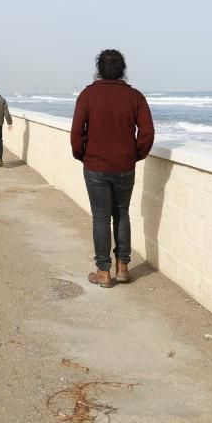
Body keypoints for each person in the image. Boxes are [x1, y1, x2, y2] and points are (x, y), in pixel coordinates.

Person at [71, 49, 154, 288]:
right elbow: (147, 133)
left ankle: (103, 272)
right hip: (124, 165)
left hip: (96, 164)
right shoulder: (135, 97)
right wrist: (134, 155)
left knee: (100, 217)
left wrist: (82, 155)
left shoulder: (88, 95)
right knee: (122, 213)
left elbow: (76, 133)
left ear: (99, 69)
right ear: (122, 70)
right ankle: (123, 268)